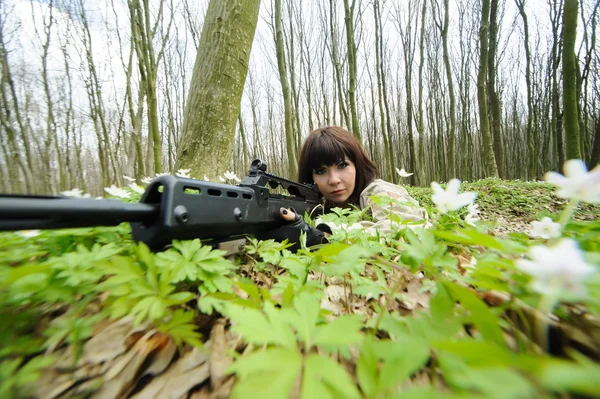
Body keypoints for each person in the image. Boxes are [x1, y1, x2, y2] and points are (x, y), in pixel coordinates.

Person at [275, 126, 427, 249]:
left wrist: (324, 235)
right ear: (311, 178)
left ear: (357, 165)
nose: (334, 180)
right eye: (321, 171)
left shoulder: (378, 192)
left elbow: (408, 229)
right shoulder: (320, 206)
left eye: (342, 165)